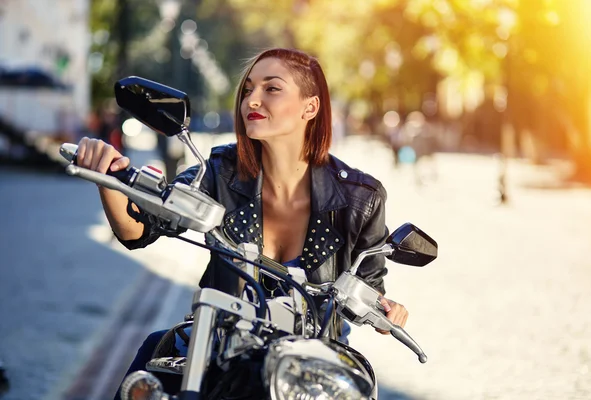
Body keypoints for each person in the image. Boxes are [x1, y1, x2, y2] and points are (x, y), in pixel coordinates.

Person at [76, 48, 408, 397]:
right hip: (221, 346)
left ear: (310, 107)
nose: (252, 99)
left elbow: (368, 290)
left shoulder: (360, 197)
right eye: (248, 89)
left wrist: (387, 310)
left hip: (311, 364)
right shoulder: (220, 172)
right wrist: (108, 173)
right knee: (150, 366)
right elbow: (137, 229)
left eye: (271, 89)